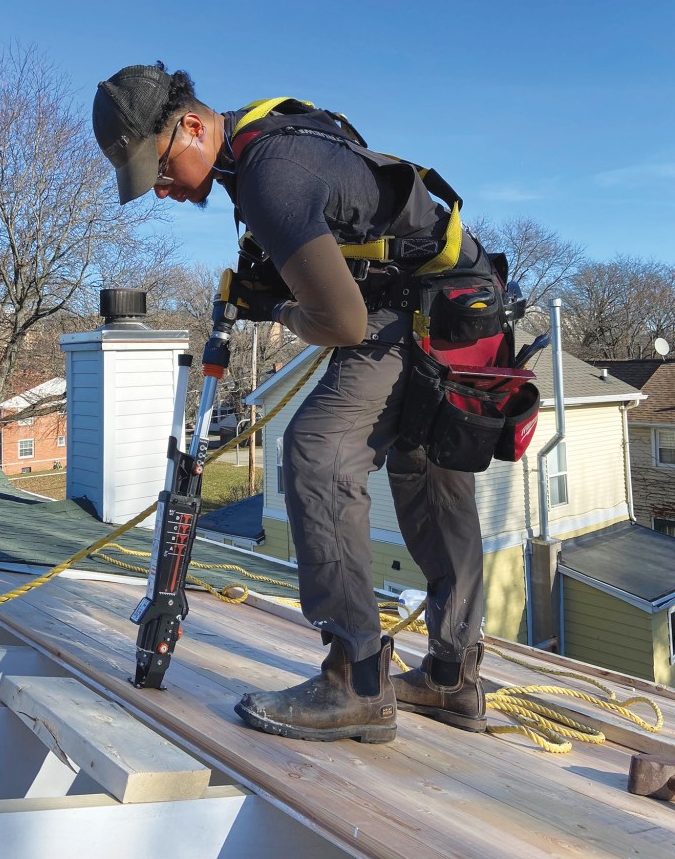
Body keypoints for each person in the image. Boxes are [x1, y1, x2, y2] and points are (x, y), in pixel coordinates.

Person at [92, 62, 490, 744]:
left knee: (317, 452)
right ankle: (453, 677)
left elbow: (343, 323)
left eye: (159, 169)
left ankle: (356, 683)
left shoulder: (268, 173)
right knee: (425, 476)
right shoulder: (262, 141)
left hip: (415, 310)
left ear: (192, 126)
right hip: (461, 302)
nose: (160, 190)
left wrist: (277, 309)